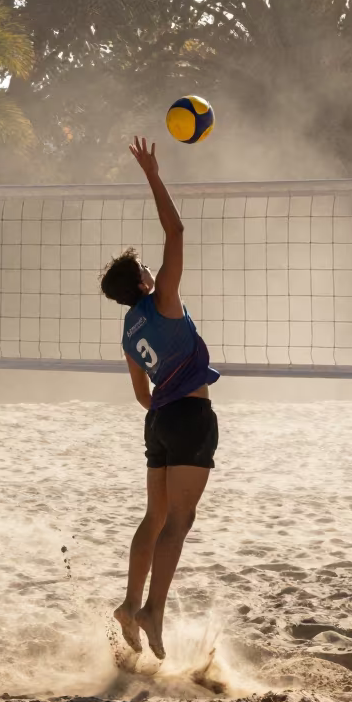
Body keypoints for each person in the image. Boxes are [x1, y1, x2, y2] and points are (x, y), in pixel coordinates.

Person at [99, 137, 220, 660]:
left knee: (153, 519)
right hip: (189, 414)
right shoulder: (163, 299)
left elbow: (141, 395)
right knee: (179, 521)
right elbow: (177, 229)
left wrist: (167, 414)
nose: (154, 268)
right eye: (147, 266)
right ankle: (151, 610)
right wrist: (151, 173)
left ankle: (129, 603)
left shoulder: (129, 331)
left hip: (159, 423)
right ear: (144, 279)